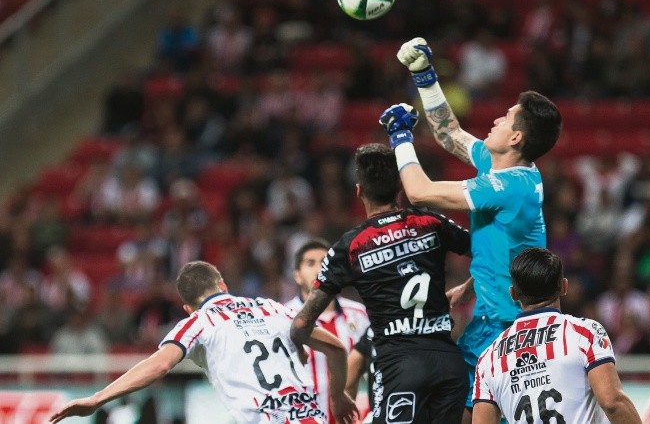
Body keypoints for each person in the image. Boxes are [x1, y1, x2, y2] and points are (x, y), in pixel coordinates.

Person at [382, 37, 563, 423]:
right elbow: (449, 134)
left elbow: (419, 192)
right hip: (499, 316)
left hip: (503, 324)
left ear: (516, 138)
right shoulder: (508, 168)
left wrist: (400, 138)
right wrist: (424, 75)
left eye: (506, 118)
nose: (497, 120)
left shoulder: (507, 186)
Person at [291, 143, 471, 424]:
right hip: (448, 364)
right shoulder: (431, 222)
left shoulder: (351, 246)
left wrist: (301, 346)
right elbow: (491, 255)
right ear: (400, 187)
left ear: (359, 191)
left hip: (400, 368)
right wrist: (467, 288)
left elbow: (301, 324)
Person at [50, 260, 358, 424]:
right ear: (223, 285)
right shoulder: (273, 308)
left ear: (187, 307)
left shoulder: (198, 322)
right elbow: (336, 347)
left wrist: (97, 399)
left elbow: (158, 365)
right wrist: (339, 396)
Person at [472, 247, 642, 424]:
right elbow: (613, 403)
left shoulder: (488, 359)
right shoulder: (584, 333)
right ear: (564, 286)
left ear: (513, 294)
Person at [286, 239, 371, 423]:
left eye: (325, 263)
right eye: (310, 263)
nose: (319, 270)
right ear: (297, 276)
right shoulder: (283, 318)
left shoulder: (359, 315)